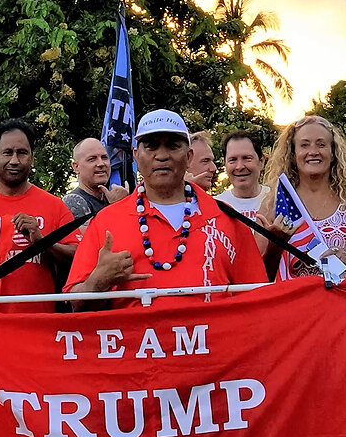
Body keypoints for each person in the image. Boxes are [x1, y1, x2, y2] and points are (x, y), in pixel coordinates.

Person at [66, 109, 266, 310]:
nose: (161, 155)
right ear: (136, 155)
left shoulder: (226, 217)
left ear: (188, 157)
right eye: (151, 146)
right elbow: (73, 303)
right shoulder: (106, 221)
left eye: (172, 146)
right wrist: (98, 282)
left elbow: (257, 302)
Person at [0, 119, 78, 312]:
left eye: (22, 153)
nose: (14, 160)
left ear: (32, 158)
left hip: (37, 324)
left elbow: (79, 256)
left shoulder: (54, 206)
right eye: (7, 152)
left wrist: (43, 242)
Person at [260, 115, 346, 287]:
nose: (313, 151)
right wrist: (276, 244)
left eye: (321, 144)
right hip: (294, 311)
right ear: (293, 155)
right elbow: (257, 279)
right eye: (304, 145)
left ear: (333, 153)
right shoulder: (275, 203)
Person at [62, 138, 129, 226]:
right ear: (76, 167)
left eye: (104, 157)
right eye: (92, 159)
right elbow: (94, 237)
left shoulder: (110, 199)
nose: (101, 163)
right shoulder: (73, 201)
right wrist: (118, 206)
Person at [214, 130, 269, 220]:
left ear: (261, 161)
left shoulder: (277, 201)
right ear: (225, 164)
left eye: (247, 158)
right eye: (233, 160)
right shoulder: (215, 206)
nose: (239, 167)